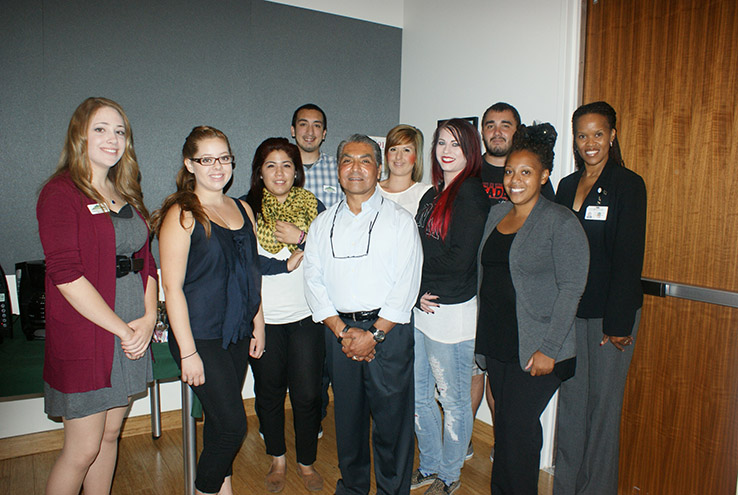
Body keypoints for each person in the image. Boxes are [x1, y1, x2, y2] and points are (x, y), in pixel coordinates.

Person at [37, 97, 158, 495]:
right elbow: (66, 275)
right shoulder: (60, 193)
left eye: (120, 131)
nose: (112, 138)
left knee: (109, 436)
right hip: (89, 333)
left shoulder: (125, 192)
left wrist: (148, 317)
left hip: (131, 328)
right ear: (79, 135)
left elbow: (147, 263)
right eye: (101, 129)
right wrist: (123, 329)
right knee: (82, 449)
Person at [303, 134, 423, 495]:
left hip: (389, 332)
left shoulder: (400, 221)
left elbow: (408, 281)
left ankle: (392, 491)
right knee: (349, 420)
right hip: (339, 331)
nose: (355, 168)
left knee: (392, 423)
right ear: (338, 170)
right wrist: (342, 331)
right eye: (347, 161)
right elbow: (313, 280)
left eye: (365, 160)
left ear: (378, 168)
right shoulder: (322, 224)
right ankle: (353, 488)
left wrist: (375, 334)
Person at [476, 124, 589, 494]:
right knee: (506, 428)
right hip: (499, 342)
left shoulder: (560, 221)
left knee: (519, 430)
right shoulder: (497, 215)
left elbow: (572, 289)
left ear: (543, 176)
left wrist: (550, 350)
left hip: (539, 347)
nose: (515, 180)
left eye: (525, 172)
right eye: (509, 172)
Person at [155, 126, 265, 495]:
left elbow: (251, 273)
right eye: (207, 159)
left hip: (236, 332)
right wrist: (187, 352)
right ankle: (202, 491)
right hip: (199, 335)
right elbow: (171, 288)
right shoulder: (182, 214)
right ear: (190, 164)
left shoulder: (243, 208)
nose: (217, 167)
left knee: (220, 424)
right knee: (234, 425)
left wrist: (258, 324)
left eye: (224, 158)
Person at [553, 101, 647, 495]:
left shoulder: (628, 185)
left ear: (612, 135)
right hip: (572, 313)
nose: (589, 143)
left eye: (597, 133)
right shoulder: (566, 186)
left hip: (611, 316)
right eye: (581, 135)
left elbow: (629, 256)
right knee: (572, 407)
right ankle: (566, 487)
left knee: (603, 412)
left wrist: (619, 322)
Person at [412, 118, 490, 495]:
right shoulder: (432, 195)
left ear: (470, 151)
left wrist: (417, 282)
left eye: (456, 144)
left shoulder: (471, 193)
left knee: (454, 401)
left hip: (451, 314)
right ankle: (429, 464)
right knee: (419, 396)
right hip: (421, 310)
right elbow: (416, 250)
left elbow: (460, 258)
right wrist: (413, 291)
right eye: (441, 142)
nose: (446, 150)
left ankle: (450, 474)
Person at [243, 137, 326, 493]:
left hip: (307, 316)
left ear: (298, 172)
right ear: (259, 172)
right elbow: (243, 263)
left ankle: (306, 462)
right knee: (269, 393)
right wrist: (282, 264)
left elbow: (330, 252)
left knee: (308, 395)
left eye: (287, 165)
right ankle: (277, 458)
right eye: (271, 165)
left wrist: (302, 238)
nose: (280, 172)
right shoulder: (245, 209)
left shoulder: (314, 206)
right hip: (264, 320)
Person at [291, 103, 343, 207]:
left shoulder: (339, 168)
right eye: (303, 124)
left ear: (324, 133)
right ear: (293, 131)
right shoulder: (280, 169)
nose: (310, 132)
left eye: (316, 125)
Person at [378, 124, 432, 216]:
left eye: (406, 150)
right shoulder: (371, 190)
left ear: (416, 156)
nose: (398, 156)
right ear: (386, 154)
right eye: (393, 149)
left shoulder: (425, 193)